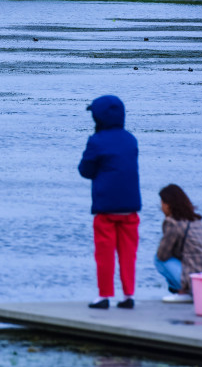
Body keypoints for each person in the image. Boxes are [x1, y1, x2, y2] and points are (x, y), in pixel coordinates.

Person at [78, 95, 141, 309]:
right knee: (128, 254)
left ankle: (104, 296)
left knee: (105, 255)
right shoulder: (131, 139)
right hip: (130, 208)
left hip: (106, 208)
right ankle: (128, 295)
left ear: (99, 118)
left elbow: (85, 171)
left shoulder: (96, 141)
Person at [155, 184, 202, 303]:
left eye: (162, 203)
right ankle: (185, 290)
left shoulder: (173, 222)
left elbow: (162, 255)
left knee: (158, 259)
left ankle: (183, 292)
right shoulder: (195, 220)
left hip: (198, 279)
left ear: (168, 205)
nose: (161, 207)